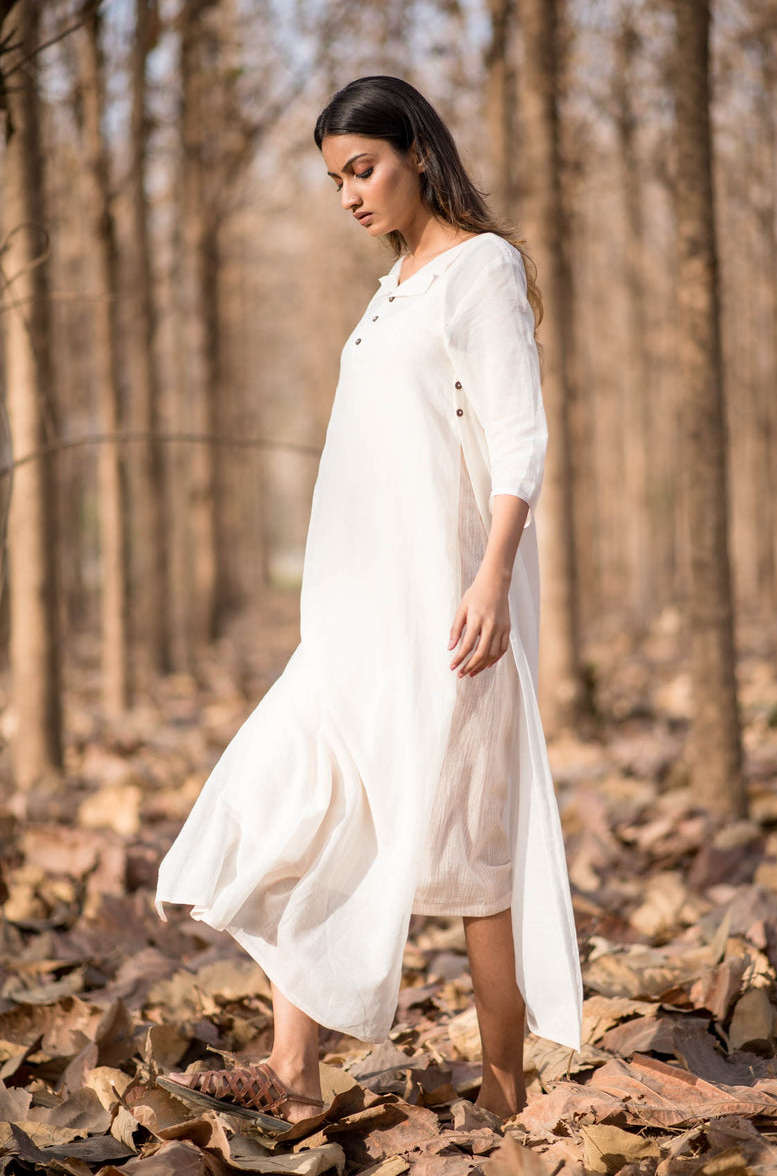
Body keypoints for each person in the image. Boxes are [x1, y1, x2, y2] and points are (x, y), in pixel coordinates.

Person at [155, 74, 582, 1132]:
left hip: (444, 614)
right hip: (348, 624)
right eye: (334, 178)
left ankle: (503, 1098)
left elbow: (518, 436)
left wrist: (490, 576)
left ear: (417, 154)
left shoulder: (480, 269)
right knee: (292, 797)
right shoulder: (391, 283)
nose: (347, 193)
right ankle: (291, 1070)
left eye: (362, 168)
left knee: (474, 851)